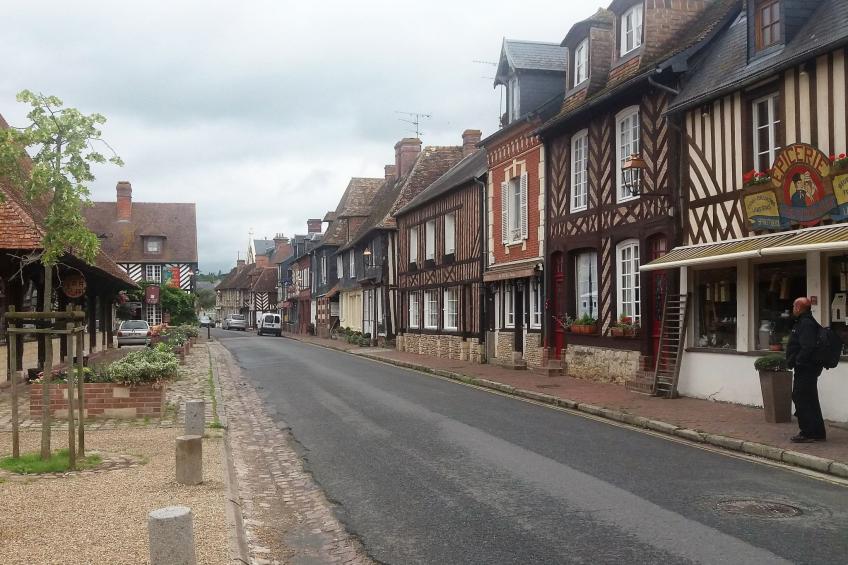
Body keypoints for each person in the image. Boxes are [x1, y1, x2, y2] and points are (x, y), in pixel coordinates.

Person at [785, 297, 827, 442]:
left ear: (798, 308)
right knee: (808, 398)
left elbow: (807, 346)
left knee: (802, 398)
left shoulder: (806, 323)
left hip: (806, 368)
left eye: (793, 306)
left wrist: (798, 361)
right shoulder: (805, 321)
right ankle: (817, 432)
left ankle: (808, 432)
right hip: (807, 368)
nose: (792, 309)